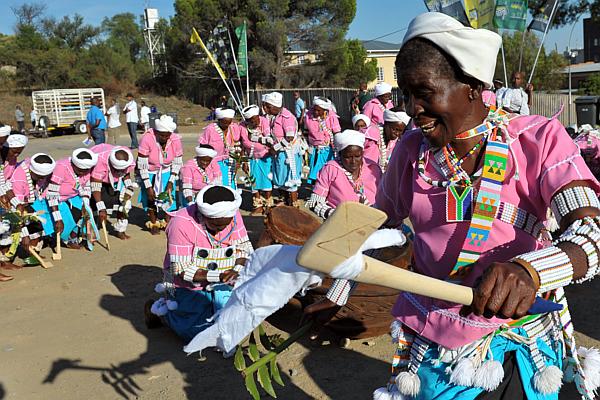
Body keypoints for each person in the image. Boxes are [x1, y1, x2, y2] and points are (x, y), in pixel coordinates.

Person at [328, 12, 600, 399]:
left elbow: (592, 234)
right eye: (407, 94)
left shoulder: (538, 140)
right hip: (432, 346)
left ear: (471, 86)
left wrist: (528, 272)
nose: (412, 108)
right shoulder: (410, 152)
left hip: (515, 345)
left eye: (425, 92)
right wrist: (333, 292)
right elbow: (375, 231)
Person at [145, 185, 254, 343]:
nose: (222, 229)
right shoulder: (180, 224)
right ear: (204, 216)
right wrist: (220, 276)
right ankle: (159, 311)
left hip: (224, 277)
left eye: (225, 224)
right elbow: (181, 270)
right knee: (195, 332)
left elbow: (244, 248)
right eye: (216, 226)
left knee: (234, 320)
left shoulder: (233, 214)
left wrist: (236, 270)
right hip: (183, 281)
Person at [306, 129, 382, 219]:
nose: (353, 161)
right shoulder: (330, 169)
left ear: (362, 153)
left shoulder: (373, 168)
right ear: (340, 154)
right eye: (348, 157)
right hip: (339, 225)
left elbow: (383, 199)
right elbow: (315, 203)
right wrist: (337, 216)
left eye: (357, 156)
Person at [137, 115, 183, 235]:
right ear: (156, 132)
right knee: (151, 198)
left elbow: (177, 163)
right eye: (161, 135)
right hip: (149, 172)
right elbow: (142, 165)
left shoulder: (175, 140)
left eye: (167, 135)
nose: (164, 137)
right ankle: (153, 223)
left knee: (169, 197)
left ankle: (167, 223)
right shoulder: (147, 138)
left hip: (167, 172)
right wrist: (148, 186)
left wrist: (170, 182)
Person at [47, 148, 99, 250]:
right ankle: (64, 238)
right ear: (74, 164)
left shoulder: (88, 169)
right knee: (64, 220)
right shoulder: (61, 167)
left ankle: (76, 236)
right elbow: (51, 193)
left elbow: (86, 186)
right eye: (80, 170)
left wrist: (86, 203)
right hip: (57, 199)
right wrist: (57, 218)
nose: (83, 173)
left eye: (85, 171)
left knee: (85, 213)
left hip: (75, 196)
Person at [10, 153, 57, 266]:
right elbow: (17, 209)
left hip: (27, 203)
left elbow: (50, 192)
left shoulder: (41, 170)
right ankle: (5, 261)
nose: (43, 179)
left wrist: (57, 217)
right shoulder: (19, 179)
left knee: (38, 225)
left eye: (44, 177)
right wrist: (24, 234)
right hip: (13, 206)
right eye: (40, 177)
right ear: (31, 171)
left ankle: (31, 254)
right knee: (11, 233)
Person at [263, 92, 303, 207]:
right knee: (280, 176)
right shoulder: (274, 116)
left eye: (268, 107)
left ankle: (293, 203)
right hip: (280, 153)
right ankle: (284, 199)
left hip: (288, 153)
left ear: (275, 106)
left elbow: (289, 137)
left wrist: (275, 148)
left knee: (290, 178)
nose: (265, 109)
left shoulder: (287, 117)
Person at [90, 144, 135, 240]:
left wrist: (129, 186)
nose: (120, 171)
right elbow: (95, 187)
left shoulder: (126, 154)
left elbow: (126, 173)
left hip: (116, 181)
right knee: (94, 206)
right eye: (118, 170)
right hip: (98, 182)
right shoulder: (100, 161)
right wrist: (101, 208)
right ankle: (92, 231)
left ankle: (120, 230)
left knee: (125, 205)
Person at [239, 104, 274, 215]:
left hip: (265, 157)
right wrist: (244, 161)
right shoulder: (243, 126)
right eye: (250, 120)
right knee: (253, 181)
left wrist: (255, 138)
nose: (253, 122)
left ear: (258, 116)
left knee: (266, 180)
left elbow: (269, 139)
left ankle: (268, 204)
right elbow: (243, 145)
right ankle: (257, 205)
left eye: (254, 119)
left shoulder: (264, 121)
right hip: (251, 158)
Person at [198, 108, 242, 188]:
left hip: (230, 162)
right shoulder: (210, 129)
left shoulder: (234, 127)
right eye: (224, 123)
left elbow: (238, 144)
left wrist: (238, 160)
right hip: (214, 163)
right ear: (219, 120)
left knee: (230, 184)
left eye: (229, 122)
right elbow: (202, 147)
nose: (227, 125)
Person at [304, 96, 341, 184]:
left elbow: (337, 132)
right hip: (314, 149)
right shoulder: (309, 116)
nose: (316, 112)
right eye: (315, 110)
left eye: (319, 110)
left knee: (327, 171)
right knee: (316, 173)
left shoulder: (331, 117)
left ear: (325, 110)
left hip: (328, 150)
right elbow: (306, 131)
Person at [1, 134, 29, 208]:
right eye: (14, 151)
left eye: (19, 153)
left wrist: (17, 203)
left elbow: (4, 183)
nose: (16, 155)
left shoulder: (13, 159)